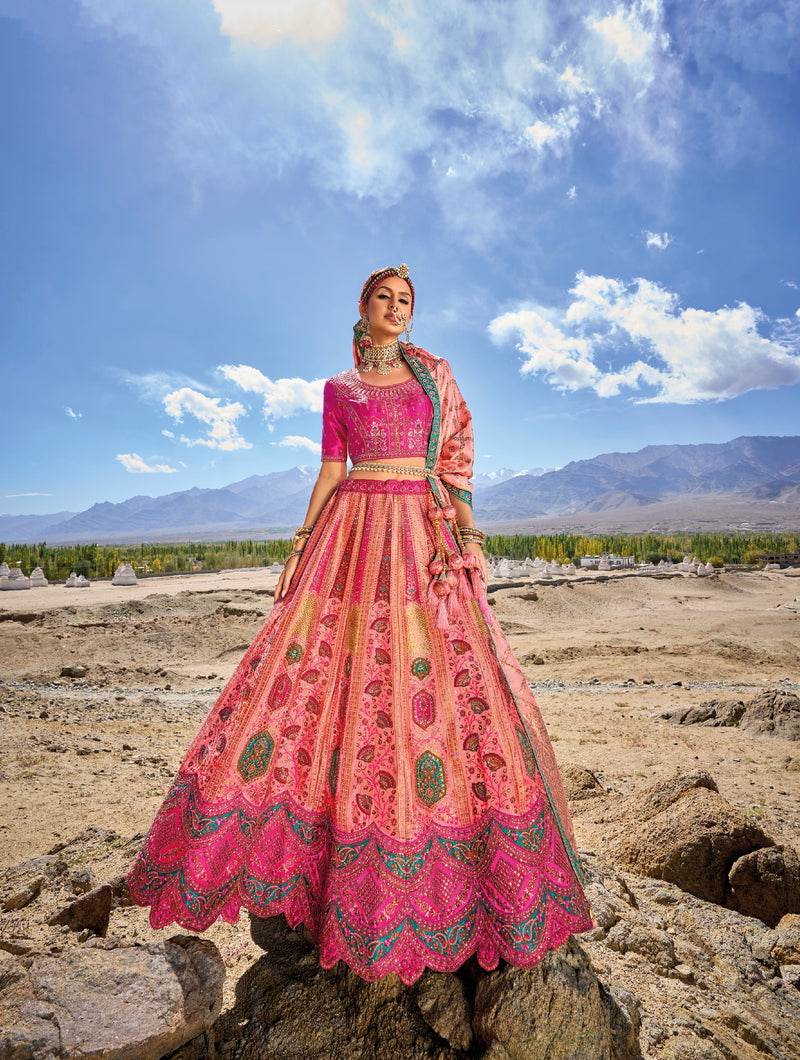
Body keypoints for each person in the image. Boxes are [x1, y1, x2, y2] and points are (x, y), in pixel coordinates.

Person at [127, 263, 593, 984]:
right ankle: (313, 867)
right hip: (352, 531)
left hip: (422, 533)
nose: (397, 309)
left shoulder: (433, 380)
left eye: (407, 301)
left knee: (431, 675)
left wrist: (469, 537)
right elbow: (331, 470)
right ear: (362, 306)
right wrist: (300, 542)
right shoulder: (337, 390)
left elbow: (455, 463)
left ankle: (460, 877)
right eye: (386, 298)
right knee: (337, 678)